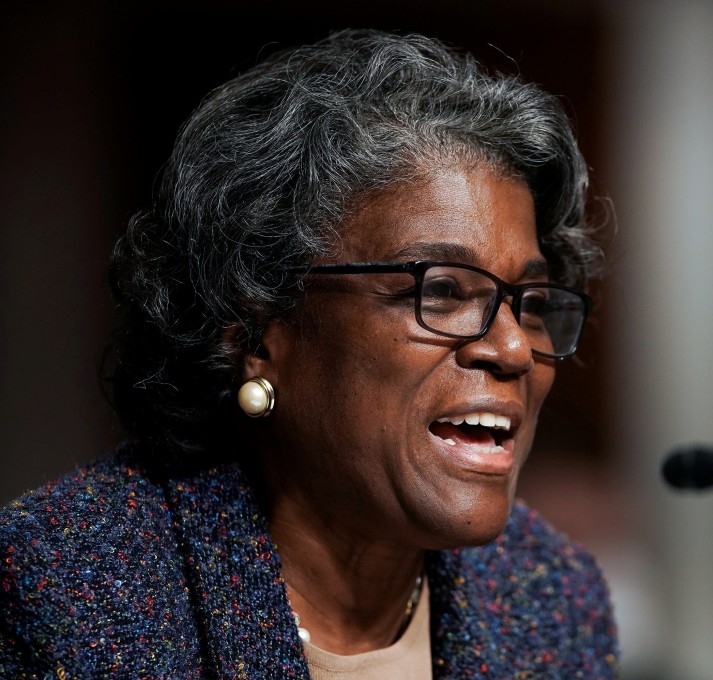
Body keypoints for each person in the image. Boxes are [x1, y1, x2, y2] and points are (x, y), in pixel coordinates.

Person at [0, 29, 618, 678]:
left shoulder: (554, 601)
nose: (515, 346)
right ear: (254, 327)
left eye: (534, 301)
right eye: (442, 291)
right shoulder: (65, 591)